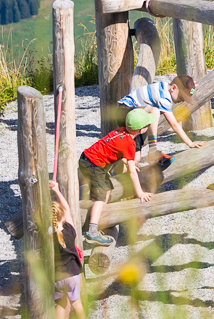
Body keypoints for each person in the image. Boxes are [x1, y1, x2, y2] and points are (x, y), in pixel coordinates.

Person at [78, 108, 156, 246]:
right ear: (142, 130)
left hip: (88, 159)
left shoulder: (121, 131)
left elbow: (118, 151)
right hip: (92, 164)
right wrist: (140, 193)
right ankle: (92, 232)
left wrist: (129, 163)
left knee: (107, 189)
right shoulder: (130, 143)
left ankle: (97, 216)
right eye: (147, 125)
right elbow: (132, 173)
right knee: (101, 195)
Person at [118, 75, 201, 168]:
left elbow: (183, 84)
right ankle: (153, 151)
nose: (182, 100)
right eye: (182, 96)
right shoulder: (164, 98)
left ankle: (116, 170)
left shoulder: (164, 86)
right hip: (126, 112)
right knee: (155, 111)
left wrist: (191, 87)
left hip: (132, 114)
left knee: (136, 158)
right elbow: (174, 124)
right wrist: (190, 143)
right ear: (173, 88)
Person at [48, 181, 86, 317]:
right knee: (76, 304)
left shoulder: (48, 237)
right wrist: (57, 190)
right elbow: (67, 208)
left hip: (58, 275)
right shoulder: (69, 230)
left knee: (61, 303)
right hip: (72, 274)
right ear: (62, 216)